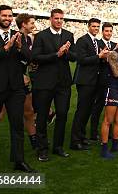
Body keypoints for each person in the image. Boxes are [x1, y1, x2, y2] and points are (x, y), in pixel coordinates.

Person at [0, 5, 36, 173]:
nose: (7, 18)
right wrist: (5, 49)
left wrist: (18, 47)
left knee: (17, 126)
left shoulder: (19, 36)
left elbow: (30, 57)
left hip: (16, 89)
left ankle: (19, 161)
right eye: (4, 15)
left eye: (10, 16)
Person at [31, 8, 77, 161]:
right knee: (43, 116)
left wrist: (66, 52)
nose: (59, 21)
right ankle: (42, 149)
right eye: (56, 18)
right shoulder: (41, 36)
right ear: (50, 19)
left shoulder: (68, 35)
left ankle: (58, 147)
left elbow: (74, 57)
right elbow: (35, 57)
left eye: (61, 19)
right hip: (45, 82)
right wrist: (56, 54)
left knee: (62, 114)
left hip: (63, 83)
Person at [70, 18, 109, 150]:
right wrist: (99, 56)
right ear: (88, 27)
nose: (96, 29)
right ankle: (74, 141)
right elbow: (81, 60)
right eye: (93, 26)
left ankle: (81, 136)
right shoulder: (82, 40)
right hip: (85, 81)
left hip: (94, 81)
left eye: (98, 27)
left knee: (87, 111)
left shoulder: (97, 41)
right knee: (81, 111)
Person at [89, 22, 115, 141]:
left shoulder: (115, 45)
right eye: (106, 31)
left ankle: (109, 132)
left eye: (110, 31)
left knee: (111, 108)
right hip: (100, 81)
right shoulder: (97, 44)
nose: (108, 33)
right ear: (102, 32)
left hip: (113, 81)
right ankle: (93, 133)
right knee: (97, 107)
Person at [16, 13, 38, 150]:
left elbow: (29, 57)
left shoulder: (28, 39)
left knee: (29, 112)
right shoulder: (16, 37)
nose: (34, 25)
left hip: (23, 80)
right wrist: (20, 74)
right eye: (31, 23)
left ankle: (34, 141)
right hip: (11, 81)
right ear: (23, 24)